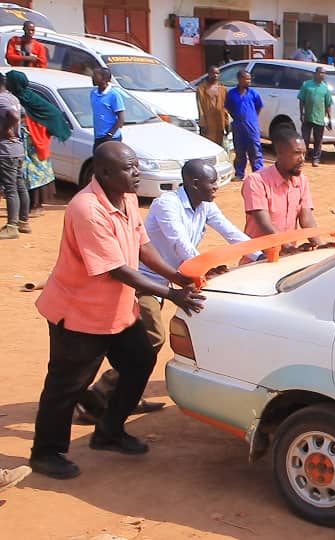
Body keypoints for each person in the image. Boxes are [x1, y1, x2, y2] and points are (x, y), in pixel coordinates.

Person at [30, 141, 205, 479]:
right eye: (129, 168)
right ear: (104, 173)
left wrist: (175, 274)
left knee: (139, 360)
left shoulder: (125, 198)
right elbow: (115, 268)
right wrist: (172, 294)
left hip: (116, 311)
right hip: (79, 315)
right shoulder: (86, 209)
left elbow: (142, 245)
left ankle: (109, 431)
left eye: (137, 165)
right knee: (67, 385)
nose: (136, 173)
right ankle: (46, 452)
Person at [77, 160, 257, 425]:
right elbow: (180, 245)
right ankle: (99, 393)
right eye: (212, 182)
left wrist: (262, 254)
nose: (217, 186)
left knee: (145, 343)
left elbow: (231, 232)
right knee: (153, 339)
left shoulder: (205, 204)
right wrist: (202, 271)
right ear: (195, 184)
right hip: (143, 282)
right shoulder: (166, 204)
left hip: (169, 281)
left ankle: (125, 393)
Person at [241, 129, 323, 252]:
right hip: (259, 258)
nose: (302, 159)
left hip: (287, 256)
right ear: (280, 153)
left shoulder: (302, 181)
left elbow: (306, 219)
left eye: (304, 154)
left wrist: (319, 245)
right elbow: (265, 224)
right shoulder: (256, 181)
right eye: (296, 153)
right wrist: (288, 248)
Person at [6, 70, 72, 217]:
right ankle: (26, 206)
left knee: (35, 173)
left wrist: (39, 128)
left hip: (34, 143)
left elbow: (51, 113)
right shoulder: (15, 98)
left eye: (9, 82)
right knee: (24, 174)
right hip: (24, 143)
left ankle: (36, 206)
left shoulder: (29, 99)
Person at [0, 72, 26, 240]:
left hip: (6, 150)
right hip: (17, 149)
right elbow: (22, 115)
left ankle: (12, 226)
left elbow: (15, 116)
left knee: (10, 189)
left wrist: (6, 130)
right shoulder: (12, 98)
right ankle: (23, 221)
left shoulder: (1, 100)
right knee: (19, 186)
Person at [224, 70, 264, 180]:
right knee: (240, 151)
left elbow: (259, 107)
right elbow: (229, 108)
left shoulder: (254, 94)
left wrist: (252, 118)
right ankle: (239, 173)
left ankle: (258, 173)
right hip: (238, 127)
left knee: (255, 150)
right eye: (246, 79)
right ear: (240, 79)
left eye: (250, 79)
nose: (249, 81)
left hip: (252, 127)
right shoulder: (231, 94)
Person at [298, 67, 333, 167]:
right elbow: (301, 100)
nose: (323, 75)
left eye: (324, 73)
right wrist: (302, 113)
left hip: (319, 118)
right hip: (307, 117)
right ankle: (302, 158)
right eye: (321, 72)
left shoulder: (325, 88)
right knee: (305, 139)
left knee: (318, 140)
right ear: (316, 73)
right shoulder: (307, 85)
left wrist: (330, 119)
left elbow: (328, 104)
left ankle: (316, 159)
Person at [90, 68, 124, 151]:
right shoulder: (93, 93)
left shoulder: (114, 95)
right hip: (98, 137)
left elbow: (121, 119)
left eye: (95, 75)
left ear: (104, 79)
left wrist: (110, 134)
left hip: (111, 138)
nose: (92, 77)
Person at [196, 66, 229, 146]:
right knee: (207, 144)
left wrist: (226, 123)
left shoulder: (223, 89)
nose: (215, 75)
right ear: (209, 74)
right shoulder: (201, 89)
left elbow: (226, 108)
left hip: (219, 122)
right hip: (207, 122)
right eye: (213, 73)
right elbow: (200, 107)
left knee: (219, 145)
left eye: (217, 73)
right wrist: (202, 123)